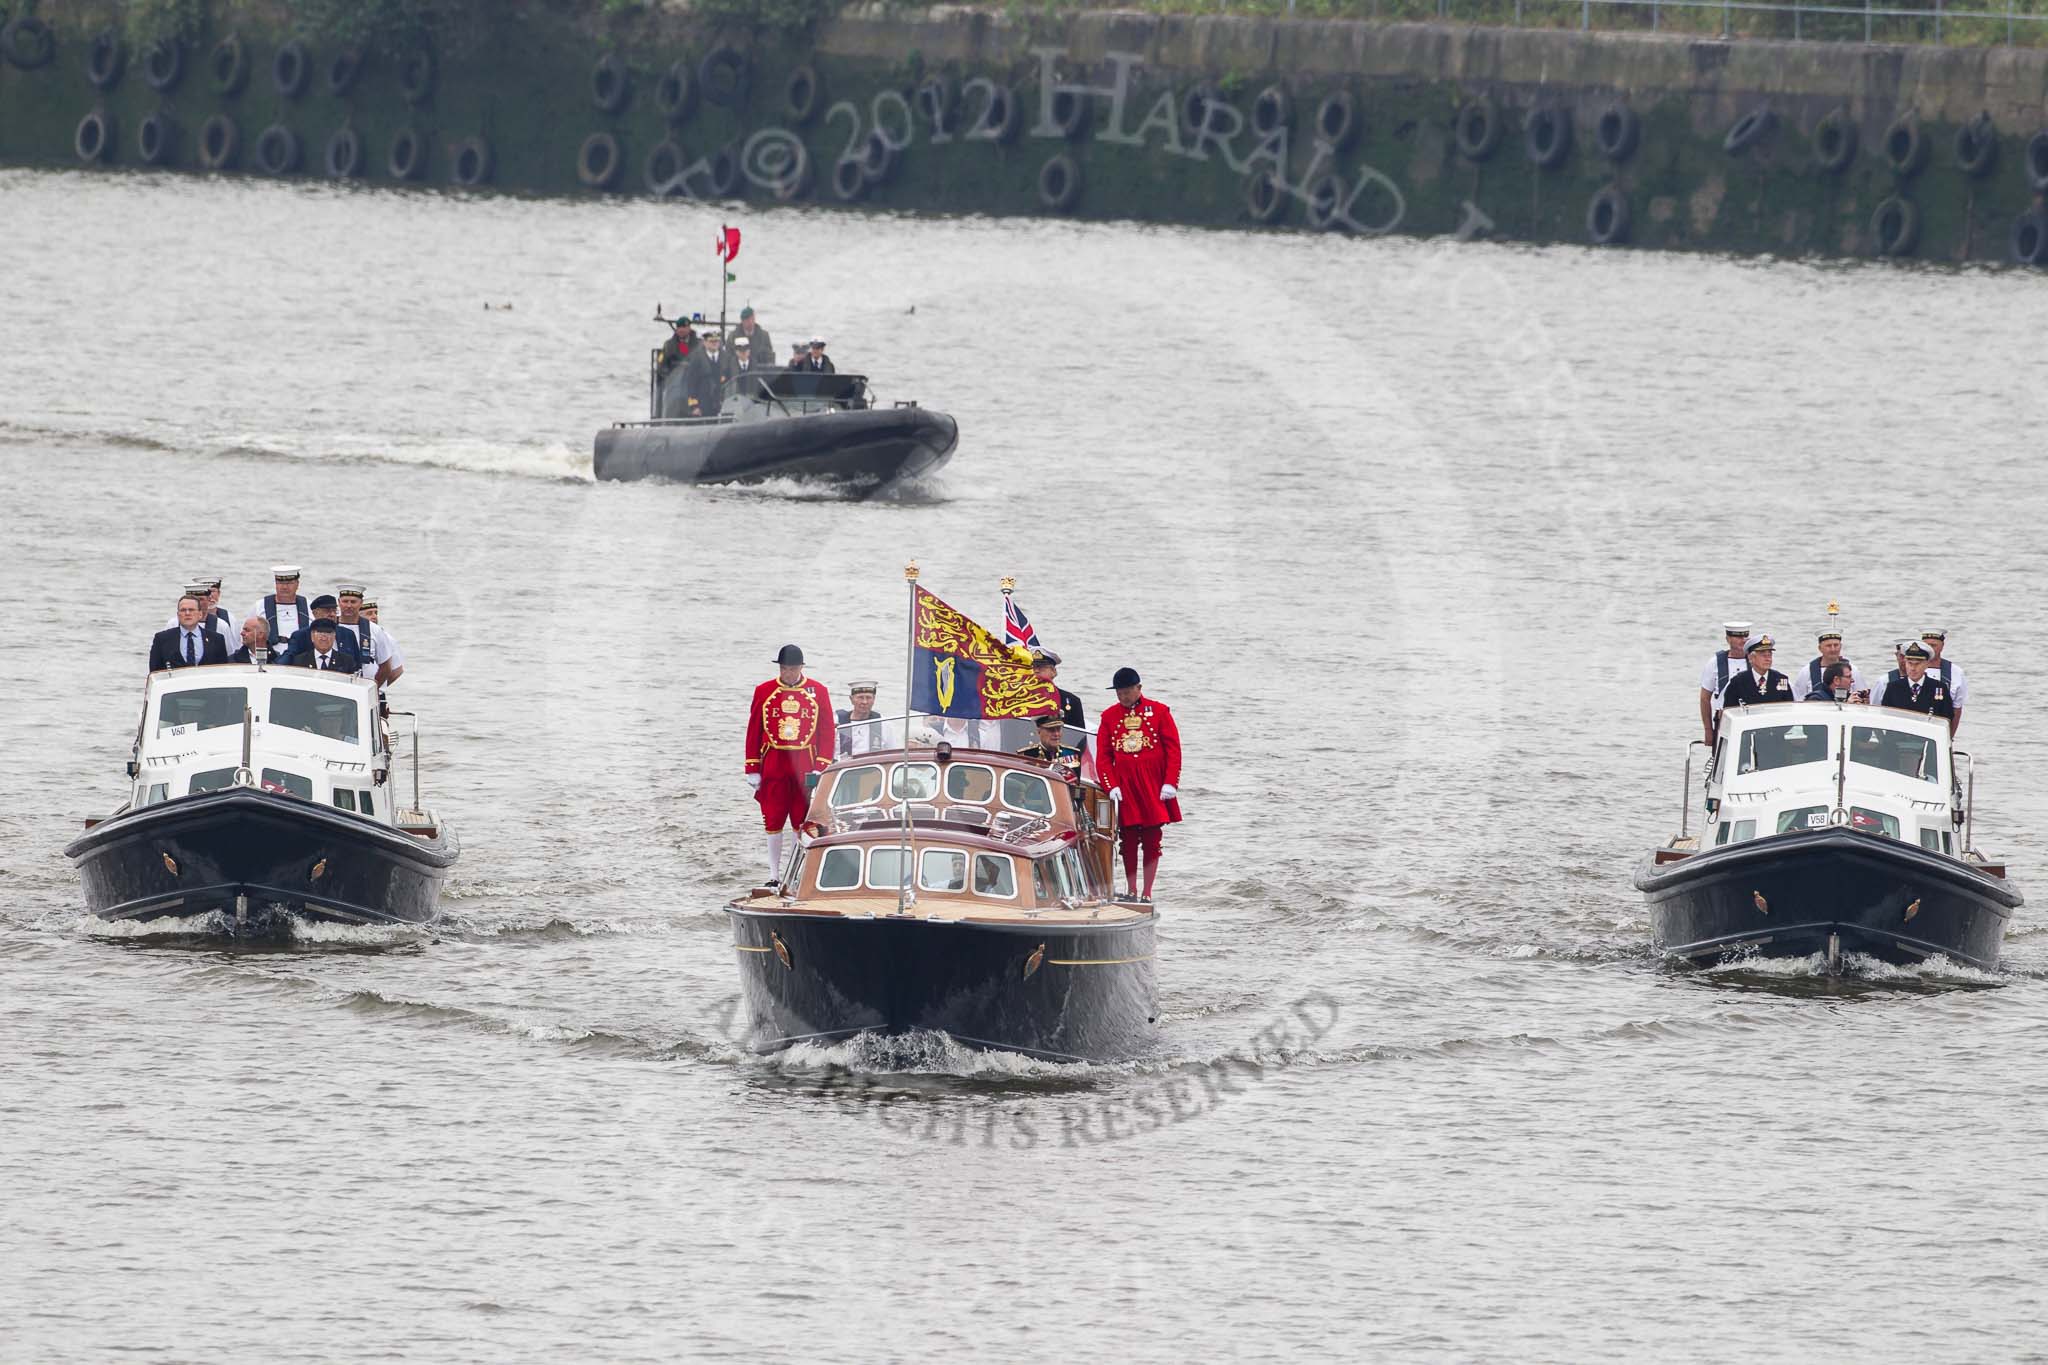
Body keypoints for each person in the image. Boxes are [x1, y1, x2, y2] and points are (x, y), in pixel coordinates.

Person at [745, 645, 836, 889]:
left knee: (801, 822)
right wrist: (752, 766)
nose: (788, 673)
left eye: (792, 669)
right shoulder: (764, 691)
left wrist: (821, 765)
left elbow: (827, 732)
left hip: (804, 767)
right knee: (772, 821)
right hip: (773, 765)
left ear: (800, 668)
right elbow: (754, 730)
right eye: (784, 669)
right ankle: (773, 875)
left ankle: (798, 874)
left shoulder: (818, 691)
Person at [1093, 666, 1181, 903]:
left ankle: (1147, 891)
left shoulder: (1160, 711)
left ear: (1139, 688)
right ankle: (1131, 889)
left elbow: (1173, 750)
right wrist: (1110, 785)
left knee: (1152, 839)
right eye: (1119, 692)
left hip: (1153, 785)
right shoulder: (1109, 716)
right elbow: (1103, 756)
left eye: (1127, 692)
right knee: (1128, 838)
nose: (1123, 697)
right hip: (1125, 786)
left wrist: (1170, 782)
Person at [337, 583, 403, 686]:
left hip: (366, 691)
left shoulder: (375, 630)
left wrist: (374, 688)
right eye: (345, 601)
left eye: (353, 602)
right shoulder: (329, 626)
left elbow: (387, 666)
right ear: (339, 603)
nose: (349, 606)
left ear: (360, 603)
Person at [280, 595, 364, 674]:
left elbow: (357, 665)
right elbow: (289, 658)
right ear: (315, 613)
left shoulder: (348, 634)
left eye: (334, 611)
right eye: (327, 611)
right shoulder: (301, 636)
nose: (332, 614)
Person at [1698, 621, 1751, 745]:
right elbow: (1704, 698)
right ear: (1728, 638)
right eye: (1738, 637)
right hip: (1723, 719)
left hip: (1749, 717)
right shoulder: (1715, 663)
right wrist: (1708, 730)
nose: (1742, 640)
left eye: (1745, 636)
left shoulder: (1755, 659)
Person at [1879, 641, 1954, 721]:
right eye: (1910, 663)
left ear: (1927, 664)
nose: (1913, 668)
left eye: (1917, 664)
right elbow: (1885, 718)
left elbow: (1947, 719)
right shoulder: (1893, 688)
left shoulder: (1939, 688)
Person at [148, 595, 228, 670]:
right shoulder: (162, 639)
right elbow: (154, 672)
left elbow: (222, 671)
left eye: (191, 610)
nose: (187, 613)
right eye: (183, 610)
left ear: (200, 614)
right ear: (178, 615)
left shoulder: (217, 639)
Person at [1719, 634, 1795, 709]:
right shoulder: (1738, 682)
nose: (1768, 659)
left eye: (1769, 655)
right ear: (1751, 658)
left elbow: (1789, 709)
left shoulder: (1781, 680)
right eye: (1763, 655)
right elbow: (1728, 712)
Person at [1031, 649, 1087, 748]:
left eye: (1041, 667)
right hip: (1023, 758)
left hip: (1062, 758)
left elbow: (1079, 740)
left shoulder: (1072, 701)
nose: (1036, 671)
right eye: (1032, 667)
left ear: (1054, 672)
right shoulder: (1017, 701)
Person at [1792, 625, 1860, 701]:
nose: (1833, 649)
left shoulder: (1852, 670)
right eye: (1828, 646)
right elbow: (1798, 699)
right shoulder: (1806, 671)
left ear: (1841, 646)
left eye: (1836, 645)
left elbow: (1861, 695)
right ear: (1820, 648)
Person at [165, 579, 235, 653]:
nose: (197, 603)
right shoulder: (173, 623)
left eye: (201, 599)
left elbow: (229, 654)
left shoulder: (221, 625)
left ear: (209, 600)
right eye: (194, 599)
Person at [253, 566, 310, 656]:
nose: (284, 587)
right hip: (270, 658)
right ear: (275, 583)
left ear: (297, 584)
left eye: (289, 583)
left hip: (300, 658)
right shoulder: (260, 606)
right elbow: (248, 634)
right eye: (280, 582)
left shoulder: (309, 606)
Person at [1921, 629, 1968, 733]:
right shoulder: (1912, 669)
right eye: (1926, 645)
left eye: (1933, 645)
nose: (1930, 650)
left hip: (1940, 729)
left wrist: (1949, 738)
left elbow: (1957, 709)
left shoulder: (1955, 672)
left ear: (1942, 645)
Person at [1016, 713, 1083, 783]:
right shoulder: (1027, 755)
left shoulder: (1071, 754)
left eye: (1058, 729)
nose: (1056, 734)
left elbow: (1076, 786)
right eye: (1051, 730)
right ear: (1039, 731)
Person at [835, 681, 891, 757]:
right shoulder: (838, 723)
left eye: (868, 698)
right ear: (851, 699)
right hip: (843, 766)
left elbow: (891, 753)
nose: (864, 702)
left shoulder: (883, 724)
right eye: (860, 698)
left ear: (874, 699)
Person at [284, 617, 355, 671]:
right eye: (320, 633)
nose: (324, 637)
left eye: (328, 633)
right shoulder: (300, 660)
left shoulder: (347, 661)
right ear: (312, 636)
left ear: (334, 636)